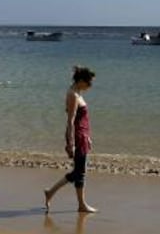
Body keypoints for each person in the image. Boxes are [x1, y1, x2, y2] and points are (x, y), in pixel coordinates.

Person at [44, 66, 97, 213]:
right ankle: (81, 204)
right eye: (89, 83)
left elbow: (83, 119)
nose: (90, 87)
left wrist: (88, 138)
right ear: (81, 81)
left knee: (79, 171)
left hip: (83, 136)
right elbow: (71, 120)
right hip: (77, 137)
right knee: (80, 173)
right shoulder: (73, 95)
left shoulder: (77, 92)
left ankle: (51, 192)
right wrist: (71, 143)